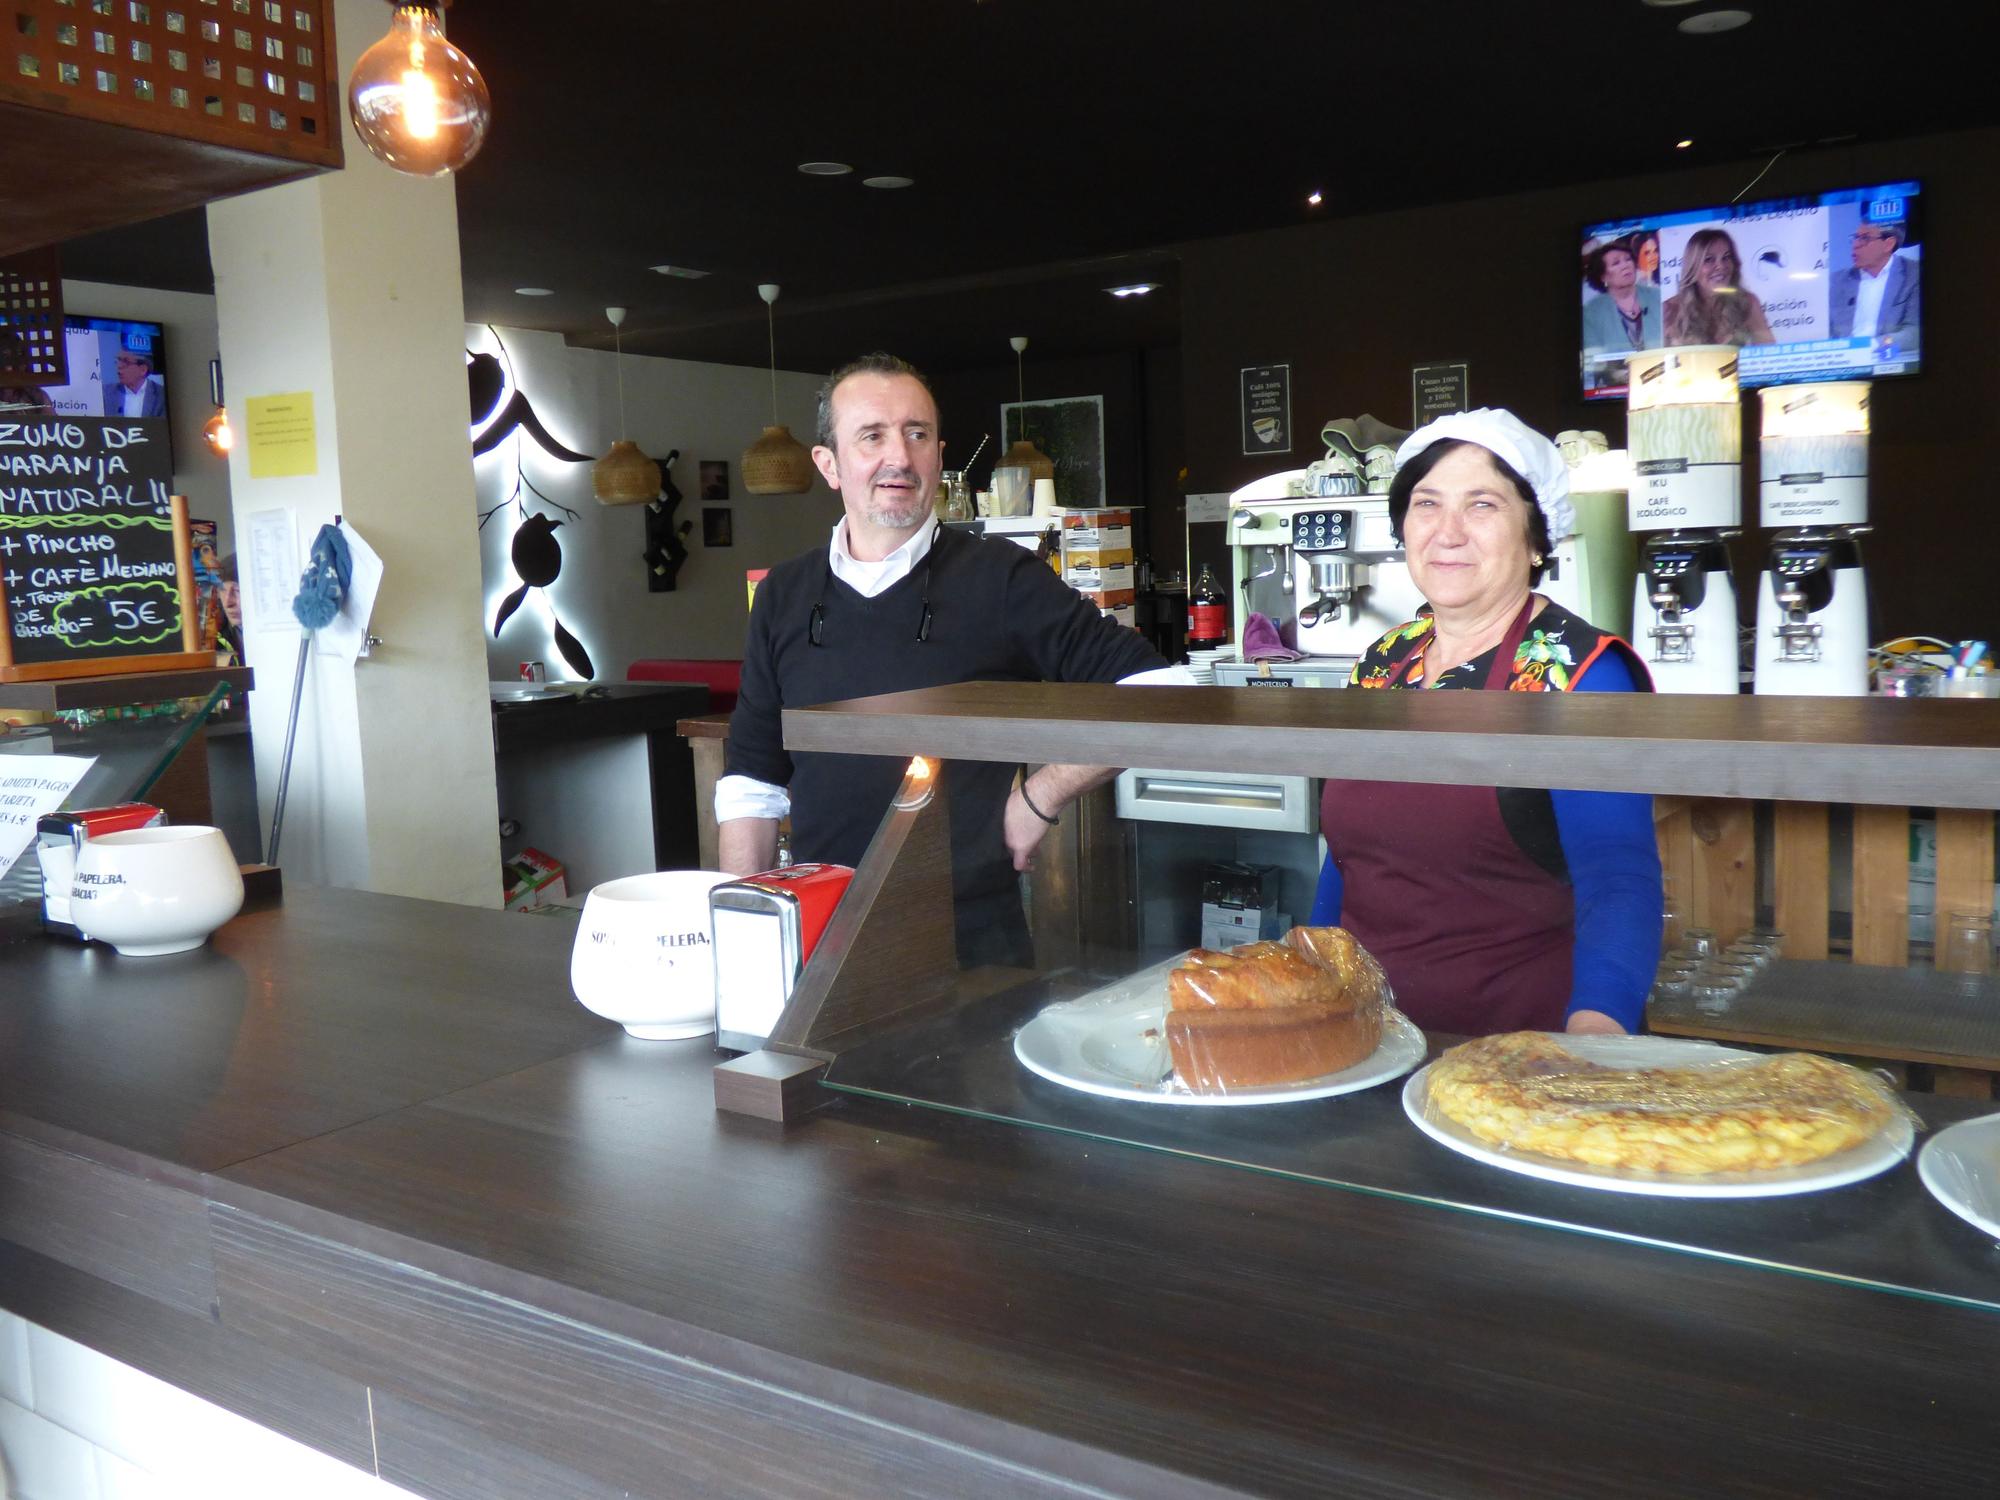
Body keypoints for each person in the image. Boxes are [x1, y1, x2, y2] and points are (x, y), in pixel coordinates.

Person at [718, 352, 1170, 967]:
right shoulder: (783, 594)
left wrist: (1043, 793)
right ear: (828, 463)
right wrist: (745, 935)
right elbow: (753, 780)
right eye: (871, 436)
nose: (898, 457)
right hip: (819, 926)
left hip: (971, 934)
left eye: (917, 434)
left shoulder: (1004, 579)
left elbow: (1157, 687)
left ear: (938, 453)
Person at [1311, 408, 1662, 1037]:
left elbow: (1618, 878)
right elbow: (1346, 861)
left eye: (1482, 505)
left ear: (1536, 537)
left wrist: (1599, 1033)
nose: (1447, 532)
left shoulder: (1581, 673)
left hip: (1521, 1051)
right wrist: (1309, 979)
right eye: (1426, 503)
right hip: (1365, 1039)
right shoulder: (1383, 662)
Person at [1663, 227, 1775, 347]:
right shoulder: (1669, 309)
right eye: (1709, 260)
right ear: (1693, 267)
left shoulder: (1747, 302)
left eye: (1726, 257)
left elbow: (1768, 352)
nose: (1721, 266)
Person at [1828, 220, 1920, 346]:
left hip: (1889, 358)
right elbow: (1825, 331)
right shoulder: (1836, 281)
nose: (1855, 245)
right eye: (1855, 238)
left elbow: (1914, 333)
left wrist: (1871, 346)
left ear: (1889, 244)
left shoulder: (1913, 274)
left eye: (1865, 238)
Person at [1581, 236, 1662, 353]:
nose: (1626, 265)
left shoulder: (1657, 296)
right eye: (1616, 263)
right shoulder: (1591, 312)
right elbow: (1592, 358)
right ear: (1603, 276)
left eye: (1628, 259)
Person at [102, 346, 166, 418]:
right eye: (118, 360)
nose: (119, 366)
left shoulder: (162, 395)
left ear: (143, 370)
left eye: (126, 362)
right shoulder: (105, 393)